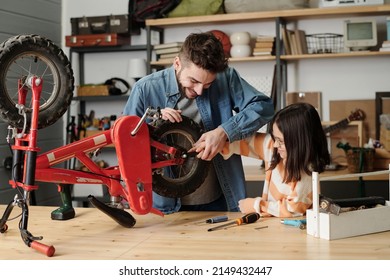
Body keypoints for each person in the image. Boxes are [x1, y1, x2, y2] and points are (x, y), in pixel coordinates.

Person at [123, 32, 274, 214]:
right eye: (193, 81)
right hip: (164, 206)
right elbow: (124, 143)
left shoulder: (226, 78)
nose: (200, 91)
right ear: (177, 63)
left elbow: (264, 107)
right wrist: (152, 123)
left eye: (208, 84)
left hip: (215, 200)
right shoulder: (146, 88)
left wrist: (224, 132)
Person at [205, 102, 330, 217]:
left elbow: (293, 210)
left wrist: (256, 205)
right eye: (275, 138)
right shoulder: (273, 146)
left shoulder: (308, 174)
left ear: (300, 143)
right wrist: (214, 142)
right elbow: (242, 142)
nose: (275, 145)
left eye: (281, 141)